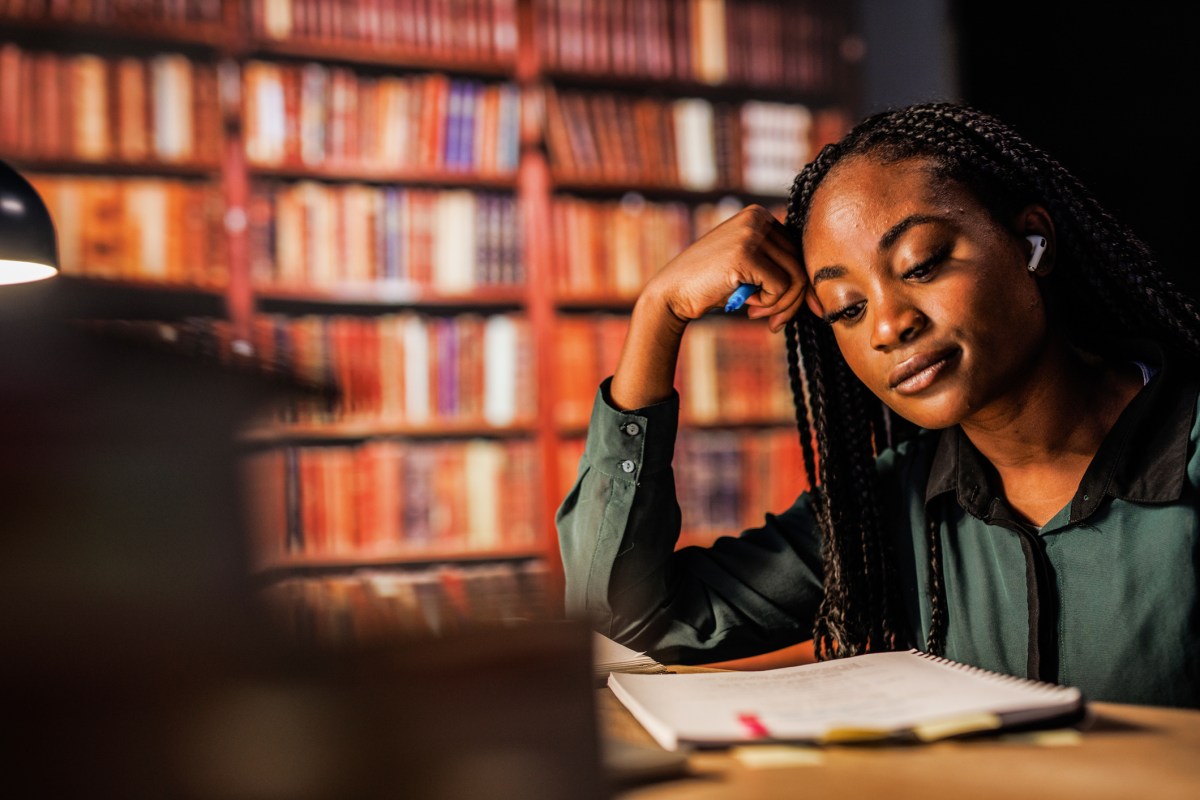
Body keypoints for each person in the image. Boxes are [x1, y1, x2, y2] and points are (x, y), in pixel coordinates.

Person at [555, 102, 1200, 708]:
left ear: (1033, 242)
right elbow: (623, 621)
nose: (887, 327)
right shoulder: (889, 505)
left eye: (921, 265)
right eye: (849, 309)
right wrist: (657, 314)